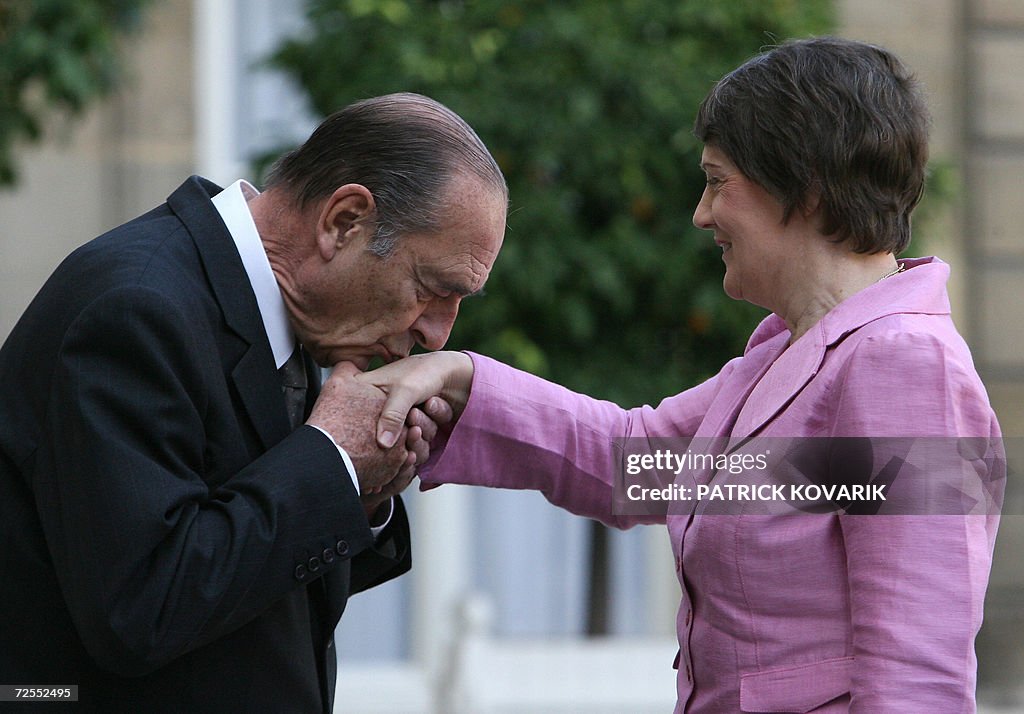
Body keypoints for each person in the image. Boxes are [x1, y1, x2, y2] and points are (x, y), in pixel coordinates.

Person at [356, 39, 1003, 712]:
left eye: (718, 180)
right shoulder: (788, 355)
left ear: (803, 187)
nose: (701, 213)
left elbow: (916, 680)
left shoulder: (904, 364)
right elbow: (634, 464)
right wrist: (456, 379)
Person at [0, 93, 507, 712]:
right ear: (344, 221)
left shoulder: (288, 318)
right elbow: (140, 608)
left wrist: (360, 489)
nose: (437, 334)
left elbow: (263, 604)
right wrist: (330, 465)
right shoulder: (135, 307)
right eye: (432, 289)